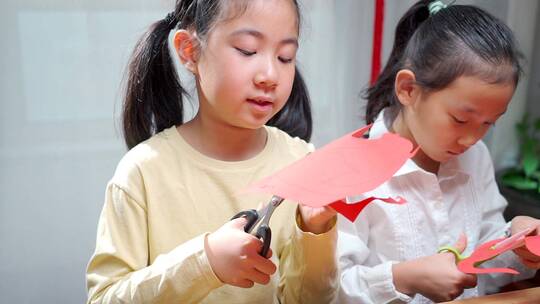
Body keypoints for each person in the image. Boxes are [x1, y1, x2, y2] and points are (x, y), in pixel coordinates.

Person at [86, 0, 338, 303]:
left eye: (285, 57)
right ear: (190, 51)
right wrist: (205, 263)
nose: (270, 74)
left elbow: (311, 300)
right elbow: (105, 298)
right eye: (247, 50)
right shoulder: (142, 172)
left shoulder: (301, 162)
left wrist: (316, 231)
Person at [338, 1, 540, 303]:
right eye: (460, 119)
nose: (471, 138)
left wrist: (514, 242)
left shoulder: (476, 158)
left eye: (489, 123)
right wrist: (405, 277)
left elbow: (486, 262)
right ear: (408, 89)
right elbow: (329, 289)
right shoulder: (352, 171)